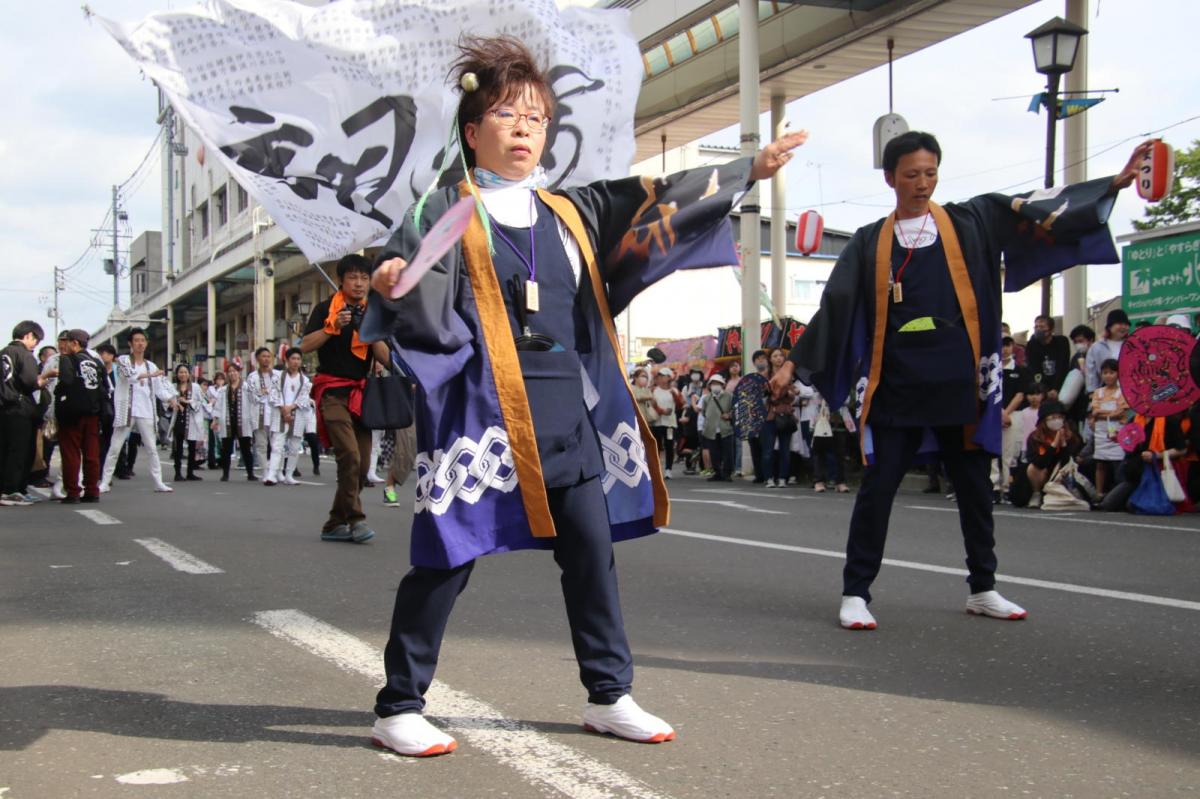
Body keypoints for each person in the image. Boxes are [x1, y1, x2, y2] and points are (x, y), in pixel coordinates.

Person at [365, 34, 806, 756]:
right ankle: (398, 703)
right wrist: (391, 280)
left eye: (537, 117)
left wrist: (745, 169)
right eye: (507, 115)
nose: (524, 129)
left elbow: (663, 202)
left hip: (566, 412)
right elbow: (405, 277)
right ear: (473, 132)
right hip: (483, 408)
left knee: (591, 552)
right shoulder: (443, 208)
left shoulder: (573, 212)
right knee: (448, 552)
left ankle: (609, 693)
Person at [772, 130, 1150, 630]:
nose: (922, 183)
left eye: (930, 173)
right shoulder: (868, 241)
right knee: (878, 489)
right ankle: (856, 592)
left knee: (973, 486)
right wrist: (791, 363)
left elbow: (1041, 207)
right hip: (897, 384)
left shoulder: (971, 220)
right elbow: (836, 307)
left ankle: (983, 586)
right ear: (890, 179)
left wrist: (1113, 185)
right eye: (911, 174)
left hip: (960, 381)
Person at [301, 253, 390, 541]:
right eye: (353, 277)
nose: (359, 283)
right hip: (332, 391)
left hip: (361, 393)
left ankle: (334, 523)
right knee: (349, 455)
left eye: (365, 278)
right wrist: (332, 327)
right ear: (341, 280)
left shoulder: (373, 311)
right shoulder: (326, 308)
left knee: (362, 465)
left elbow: (387, 360)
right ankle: (356, 519)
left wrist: (372, 331)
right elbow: (304, 346)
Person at [99, 329, 176, 493]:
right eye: (137, 340)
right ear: (130, 344)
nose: (140, 343)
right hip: (126, 409)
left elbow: (159, 389)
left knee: (152, 449)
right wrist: (151, 375)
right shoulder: (123, 360)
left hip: (146, 410)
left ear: (146, 343)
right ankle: (105, 481)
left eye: (143, 340)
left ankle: (158, 482)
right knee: (115, 447)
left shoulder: (151, 365)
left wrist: (171, 399)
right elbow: (130, 376)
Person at [1, 321, 55, 506]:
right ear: (28, 335)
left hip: (4, 408)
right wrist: (47, 376)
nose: (35, 344)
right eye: (36, 340)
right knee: (21, 451)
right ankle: (13, 490)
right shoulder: (25, 354)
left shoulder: (4, 352)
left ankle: (7, 489)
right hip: (20, 408)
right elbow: (31, 382)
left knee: (6, 450)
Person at [53, 330, 105, 503]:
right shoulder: (96, 362)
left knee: (71, 453)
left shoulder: (67, 358)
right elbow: (104, 387)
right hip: (93, 412)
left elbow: (66, 381)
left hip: (72, 413)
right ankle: (92, 490)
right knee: (92, 453)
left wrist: (57, 390)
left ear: (74, 343)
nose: (64, 346)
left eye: (67, 342)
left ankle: (73, 491)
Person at [265, 347, 314, 486]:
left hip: (297, 414)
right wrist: (283, 409)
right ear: (287, 360)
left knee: (294, 447)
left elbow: (304, 399)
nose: (296, 362)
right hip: (280, 413)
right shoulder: (278, 377)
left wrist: (291, 408)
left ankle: (289, 475)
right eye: (293, 358)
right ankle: (272, 474)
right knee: (277, 445)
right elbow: (273, 395)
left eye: (298, 359)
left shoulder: (305, 380)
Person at [1024, 400, 1083, 506]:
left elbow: (1068, 460)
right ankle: (1036, 493)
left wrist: (1063, 443)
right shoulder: (1035, 438)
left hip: (1062, 472)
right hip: (1043, 471)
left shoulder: (1072, 437)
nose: (1057, 421)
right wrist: (1054, 444)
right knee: (1032, 468)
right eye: (1052, 418)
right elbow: (1039, 462)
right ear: (1044, 420)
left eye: (1059, 417)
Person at [1088, 358, 1128, 497]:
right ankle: (1099, 492)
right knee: (1100, 463)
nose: (1108, 376)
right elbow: (1094, 411)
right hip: (1101, 431)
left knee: (1118, 462)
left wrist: (1102, 414)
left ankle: (1118, 492)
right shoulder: (1098, 392)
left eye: (1111, 372)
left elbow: (1121, 412)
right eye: (1105, 373)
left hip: (1117, 430)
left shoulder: (1122, 392)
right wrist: (1109, 413)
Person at [997, 336, 1030, 501]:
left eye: (1007, 345)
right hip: (992, 413)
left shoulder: (1020, 370)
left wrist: (1006, 413)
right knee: (990, 452)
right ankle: (993, 487)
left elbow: (1020, 395)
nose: (1004, 349)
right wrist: (998, 412)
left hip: (1014, 414)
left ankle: (1008, 487)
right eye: (1001, 345)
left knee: (1009, 453)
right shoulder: (991, 369)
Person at [211, 362, 255, 481]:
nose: (232, 373)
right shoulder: (223, 389)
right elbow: (218, 406)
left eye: (234, 371)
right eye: (230, 371)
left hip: (243, 420)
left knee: (246, 448)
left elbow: (253, 401)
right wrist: (215, 419)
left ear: (239, 373)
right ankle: (225, 474)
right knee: (226, 449)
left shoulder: (246, 387)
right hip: (228, 422)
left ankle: (250, 473)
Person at [244, 347, 281, 484]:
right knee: (261, 444)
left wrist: (268, 393)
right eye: (263, 356)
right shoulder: (252, 377)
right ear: (258, 359)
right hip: (258, 414)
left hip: (275, 413)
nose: (266, 359)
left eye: (268, 356)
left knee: (277, 444)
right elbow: (251, 396)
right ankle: (265, 471)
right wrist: (261, 392)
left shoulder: (278, 375)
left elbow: (280, 393)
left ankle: (275, 471)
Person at [734, 350, 769, 482]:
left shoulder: (771, 377)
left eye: (763, 358)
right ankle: (759, 474)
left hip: (768, 415)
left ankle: (768, 474)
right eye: (758, 359)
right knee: (754, 446)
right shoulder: (749, 379)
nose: (761, 361)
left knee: (767, 446)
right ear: (754, 362)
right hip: (751, 416)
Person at [169, 364, 207, 481]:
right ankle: (177, 473)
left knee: (192, 447)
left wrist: (187, 401)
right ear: (177, 374)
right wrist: (172, 404)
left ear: (189, 374)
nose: (183, 374)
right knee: (178, 448)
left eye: (185, 372)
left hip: (191, 420)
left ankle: (190, 472)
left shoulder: (195, 387)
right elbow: (167, 402)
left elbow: (200, 402)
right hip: (178, 420)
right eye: (180, 372)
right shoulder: (173, 387)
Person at [1025, 315, 1071, 400]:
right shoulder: (1032, 344)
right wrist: (1045, 390)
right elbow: (1034, 368)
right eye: (1036, 327)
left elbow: (1062, 366)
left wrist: (1055, 388)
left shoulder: (1062, 342)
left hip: (1060, 383)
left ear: (1051, 329)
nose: (1038, 329)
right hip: (1041, 386)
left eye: (1042, 327)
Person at [1085, 309, 1130, 393]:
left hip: (1129, 393)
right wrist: (1092, 392)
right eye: (1119, 324)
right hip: (1105, 393)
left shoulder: (1133, 345)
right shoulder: (1097, 347)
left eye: (1126, 324)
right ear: (1109, 326)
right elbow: (1091, 372)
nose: (1123, 327)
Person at [701, 373, 734, 481]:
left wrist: (729, 415)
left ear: (722, 385)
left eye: (718, 383)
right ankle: (717, 473)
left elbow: (735, 410)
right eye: (713, 384)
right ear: (709, 386)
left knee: (728, 453)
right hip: (711, 430)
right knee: (714, 453)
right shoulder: (706, 398)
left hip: (725, 429)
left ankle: (727, 473)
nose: (715, 385)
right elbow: (704, 412)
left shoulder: (729, 396)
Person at [649, 367, 680, 479]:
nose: (661, 378)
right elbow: (651, 404)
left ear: (669, 377)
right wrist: (661, 411)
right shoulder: (654, 390)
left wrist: (675, 395)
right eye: (660, 376)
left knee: (669, 446)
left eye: (664, 376)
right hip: (656, 422)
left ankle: (668, 469)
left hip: (670, 423)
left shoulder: (674, 390)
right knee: (657, 446)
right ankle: (656, 469)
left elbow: (680, 404)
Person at [95, 343, 118, 471]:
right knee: (101, 440)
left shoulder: (118, 370)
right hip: (100, 408)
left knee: (115, 440)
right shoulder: (96, 369)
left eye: (106, 353)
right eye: (101, 353)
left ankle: (118, 468)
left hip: (116, 407)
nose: (103, 356)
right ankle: (101, 469)